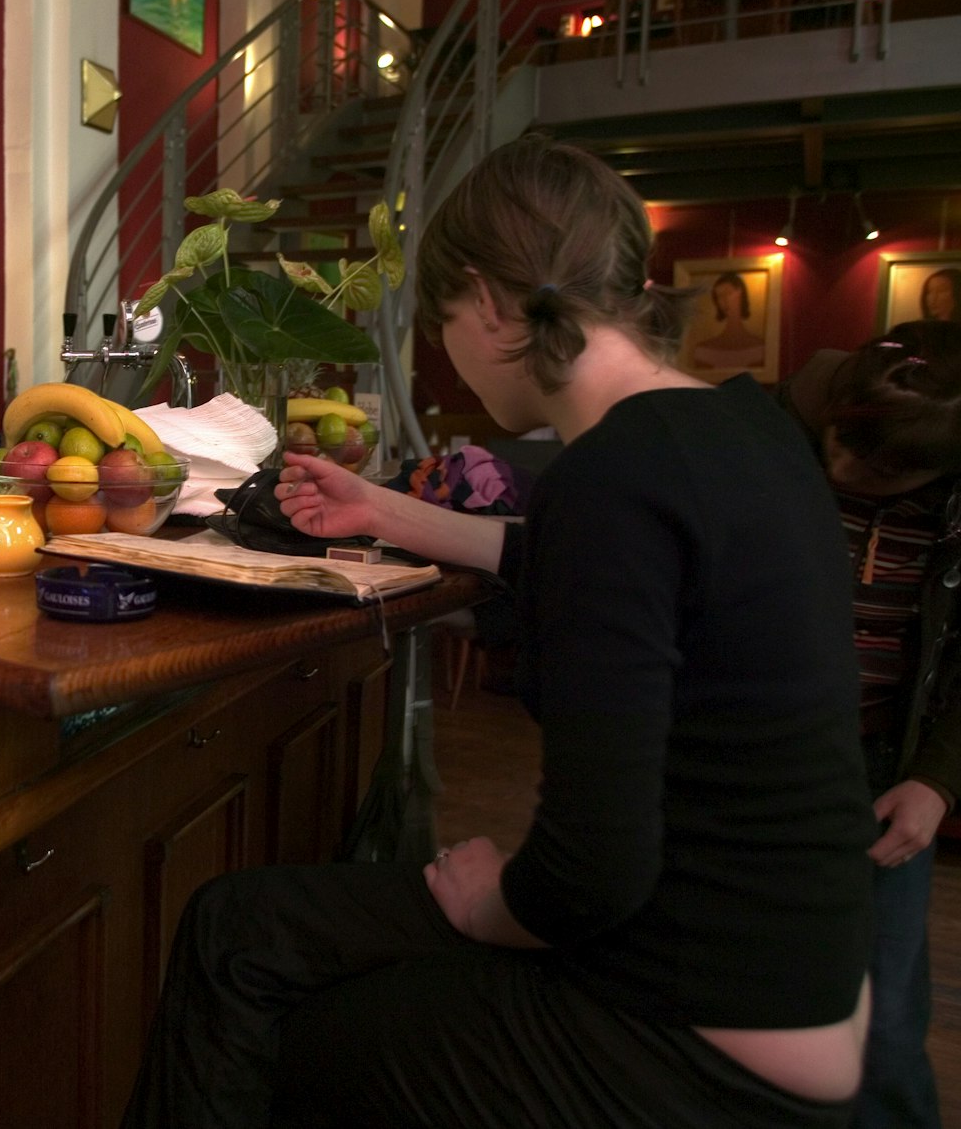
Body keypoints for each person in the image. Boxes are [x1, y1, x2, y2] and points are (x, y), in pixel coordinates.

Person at [122, 136, 875, 1128]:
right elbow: (600, 569)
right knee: (241, 923)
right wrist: (387, 513)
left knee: (272, 996)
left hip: (689, 1035)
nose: (454, 352)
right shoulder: (742, 429)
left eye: (442, 322)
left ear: (485, 302)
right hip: (800, 989)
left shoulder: (611, 482)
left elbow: (590, 873)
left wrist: (494, 900)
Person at [776, 320, 961, 1129]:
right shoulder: (778, 424)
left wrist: (938, 781)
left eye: (877, 471)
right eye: (840, 445)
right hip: (762, 758)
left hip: (884, 772)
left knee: (882, 1025)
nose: (844, 470)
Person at [688, 268, 766, 370]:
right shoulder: (704, 350)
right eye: (719, 296)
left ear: (740, 293)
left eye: (728, 293)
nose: (724, 300)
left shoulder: (760, 348)